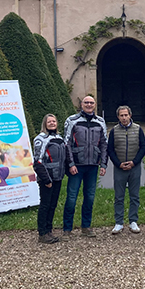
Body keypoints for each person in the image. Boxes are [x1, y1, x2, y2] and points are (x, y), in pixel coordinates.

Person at [62, 96, 108, 239]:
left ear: (95, 105)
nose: (89, 105)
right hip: (77, 166)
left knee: (89, 197)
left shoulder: (100, 122)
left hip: (93, 165)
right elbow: (67, 143)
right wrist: (71, 164)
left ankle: (86, 227)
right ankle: (67, 229)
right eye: (86, 102)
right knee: (71, 198)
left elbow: (104, 144)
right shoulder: (72, 120)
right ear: (81, 104)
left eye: (91, 103)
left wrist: (104, 163)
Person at [107, 105, 145, 235]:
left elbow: (143, 147)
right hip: (120, 168)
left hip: (134, 167)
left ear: (130, 115)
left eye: (126, 115)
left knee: (134, 196)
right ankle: (119, 222)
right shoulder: (114, 131)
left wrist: (134, 162)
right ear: (118, 117)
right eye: (121, 115)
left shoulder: (138, 129)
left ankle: (133, 221)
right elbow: (110, 149)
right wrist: (118, 164)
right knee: (119, 196)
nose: (124, 118)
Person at [32, 114, 71, 244]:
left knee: (52, 205)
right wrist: (46, 179)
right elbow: (37, 161)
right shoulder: (41, 139)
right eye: (49, 121)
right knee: (45, 205)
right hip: (47, 179)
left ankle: (49, 230)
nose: (52, 123)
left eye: (54, 121)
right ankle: (42, 233)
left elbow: (65, 156)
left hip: (58, 177)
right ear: (45, 124)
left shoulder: (59, 138)